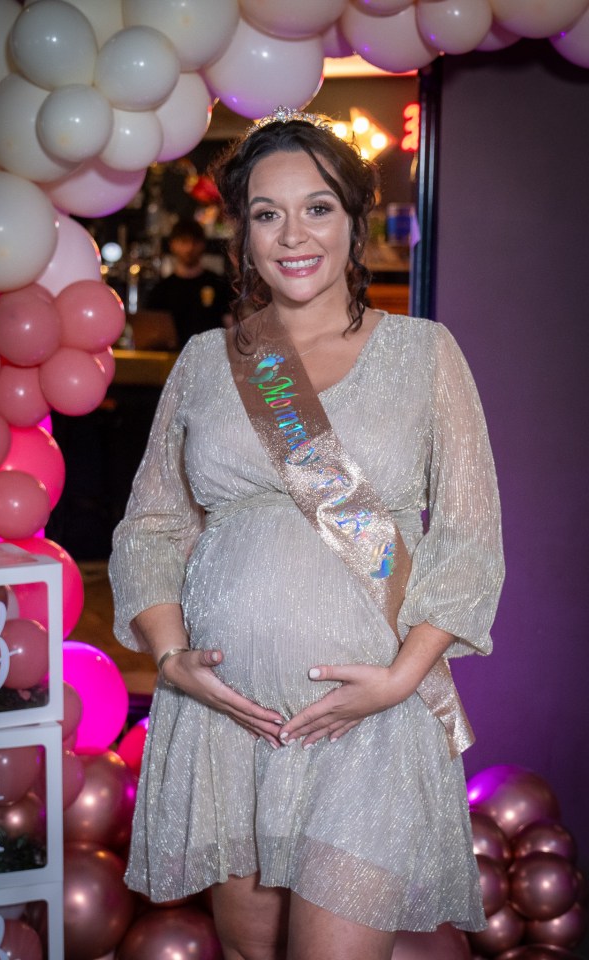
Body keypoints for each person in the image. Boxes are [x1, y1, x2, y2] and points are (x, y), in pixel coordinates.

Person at [109, 107, 505, 960]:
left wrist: (401, 680)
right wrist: (173, 659)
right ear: (242, 233)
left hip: (366, 722)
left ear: (355, 221)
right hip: (228, 726)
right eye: (266, 211)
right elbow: (149, 526)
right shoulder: (209, 365)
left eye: (317, 207)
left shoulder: (425, 353)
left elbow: (470, 536)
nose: (293, 234)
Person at [143, 218, 232, 350]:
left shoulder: (219, 284)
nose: (189, 248)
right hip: (171, 362)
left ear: (203, 245)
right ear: (173, 245)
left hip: (210, 360)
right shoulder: (161, 290)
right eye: (183, 242)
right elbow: (150, 333)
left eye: (195, 242)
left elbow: (231, 328)